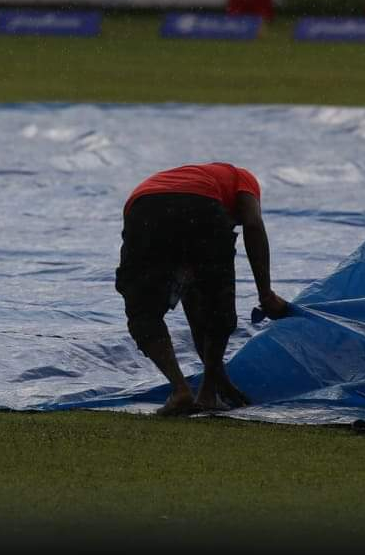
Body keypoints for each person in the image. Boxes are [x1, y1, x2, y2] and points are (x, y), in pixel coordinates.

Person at [115, 162, 290, 416]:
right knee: (218, 305)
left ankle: (181, 390)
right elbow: (253, 224)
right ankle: (207, 393)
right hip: (201, 207)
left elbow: (196, 307)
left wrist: (219, 376)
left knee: (144, 309)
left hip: (143, 206)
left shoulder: (197, 178)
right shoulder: (244, 178)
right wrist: (266, 293)